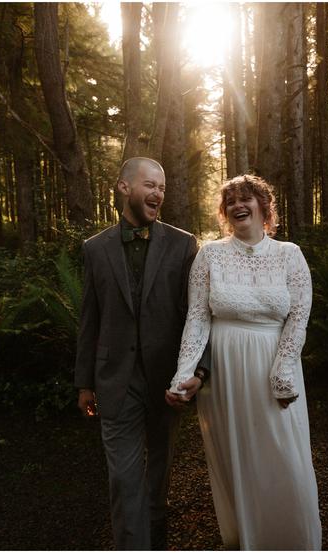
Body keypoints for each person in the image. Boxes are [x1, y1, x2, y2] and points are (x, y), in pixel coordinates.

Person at [166, 174, 322, 550]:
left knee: (286, 459)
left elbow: (298, 318)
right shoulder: (210, 255)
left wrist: (282, 373)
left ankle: (292, 541)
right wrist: (183, 374)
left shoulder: (290, 255)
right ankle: (246, 539)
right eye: (231, 200)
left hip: (274, 367)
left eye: (246, 198)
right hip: (226, 372)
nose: (239, 204)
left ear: (264, 207)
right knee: (236, 458)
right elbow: (198, 318)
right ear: (224, 212)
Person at [74, 157, 210, 550]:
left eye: (163, 188)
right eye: (150, 185)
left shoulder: (184, 244)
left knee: (159, 475)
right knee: (124, 478)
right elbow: (90, 318)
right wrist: (84, 382)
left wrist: (198, 372)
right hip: (115, 381)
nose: (158, 194)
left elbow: (196, 316)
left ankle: (158, 535)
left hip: (167, 380)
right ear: (123, 188)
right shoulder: (95, 249)